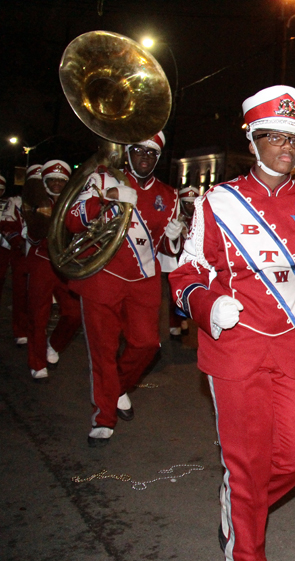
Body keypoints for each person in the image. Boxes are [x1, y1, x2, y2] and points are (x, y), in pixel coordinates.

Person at [170, 85, 295, 561]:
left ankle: (238, 503)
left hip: (294, 345)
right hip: (235, 345)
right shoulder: (218, 202)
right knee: (247, 460)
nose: (288, 147)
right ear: (253, 140)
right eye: (276, 137)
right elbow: (187, 271)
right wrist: (205, 304)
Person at [66, 132, 180, 447]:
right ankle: (103, 418)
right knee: (102, 351)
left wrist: (174, 236)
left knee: (146, 344)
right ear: (128, 152)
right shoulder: (103, 179)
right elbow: (72, 222)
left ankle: (116, 389)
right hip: (101, 278)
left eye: (152, 153)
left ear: (159, 157)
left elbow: (167, 250)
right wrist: (107, 196)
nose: (145, 156)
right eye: (139, 150)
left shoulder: (168, 195)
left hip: (143, 280)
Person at [25, 160, 82, 381]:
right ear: (45, 182)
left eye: (61, 180)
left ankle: (53, 345)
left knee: (74, 313)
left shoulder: (73, 203)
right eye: (52, 180)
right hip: (42, 261)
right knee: (38, 315)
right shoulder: (35, 202)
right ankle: (37, 363)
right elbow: (31, 235)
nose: (57, 183)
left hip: (65, 264)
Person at [159, 186, 197, 339]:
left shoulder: (198, 218)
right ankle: (174, 325)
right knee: (173, 297)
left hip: (191, 265)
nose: (190, 206)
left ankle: (182, 321)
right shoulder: (175, 218)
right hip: (174, 264)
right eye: (187, 203)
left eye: (192, 203)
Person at [0, 172, 29, 346]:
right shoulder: (14, 202)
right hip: (6, 249)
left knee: (22, 290)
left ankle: (21, 329)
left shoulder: (14, 202)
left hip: (18, 250)